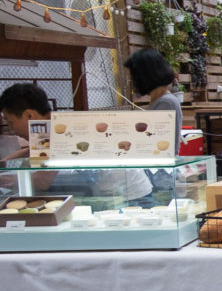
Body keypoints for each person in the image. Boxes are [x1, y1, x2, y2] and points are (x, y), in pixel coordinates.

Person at [0, 83, 154, 205]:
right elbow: (34, 152)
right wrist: (5, 163)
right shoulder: (52, 125)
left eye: (11, 122)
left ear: (29, 114)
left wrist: (8, 180)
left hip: (131, 199)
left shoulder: (59, 129)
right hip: (117, 195)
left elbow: (42, 181)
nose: (11, 129)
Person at [123, 48, 183, 149]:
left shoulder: (166, 102)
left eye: (134, 75)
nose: (132, 80)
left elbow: (158, 143)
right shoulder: (159, 100)